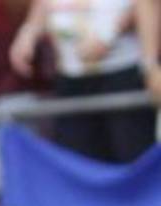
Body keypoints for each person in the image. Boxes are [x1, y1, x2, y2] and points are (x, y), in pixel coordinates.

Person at [11, 0, 156, 163]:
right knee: (79, 160)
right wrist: (29, 32)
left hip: (122, 75)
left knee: (132, 156)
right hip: (71, 78)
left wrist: (109, 34)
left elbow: (146, 5)